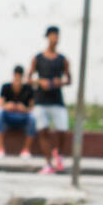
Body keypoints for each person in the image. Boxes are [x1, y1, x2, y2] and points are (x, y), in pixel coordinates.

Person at [29, 25, 72, 173]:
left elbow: (69, 79)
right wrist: (40, 82)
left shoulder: (62, 59)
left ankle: (58, 154)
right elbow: (29, 78)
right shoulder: (38, 58)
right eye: (52, 35)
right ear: (47, 37)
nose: (55, 38)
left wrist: (59, 82)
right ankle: (48, 163)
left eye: (57, 35)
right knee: (43, 131)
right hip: (41, 100)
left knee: (63, 130)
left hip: (57, 100)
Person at [0, 65, 37, 157]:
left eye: (19, 77)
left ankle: (26, 150)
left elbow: (32, 108)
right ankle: (0, 149)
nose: (17, 80)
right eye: (16, 77)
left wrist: (24, 109)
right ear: (13, 76)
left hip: (22, 117)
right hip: (9, 116)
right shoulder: (6, 87)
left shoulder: (28, 88)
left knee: (32, 117)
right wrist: (7, 106)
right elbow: (0, 105)